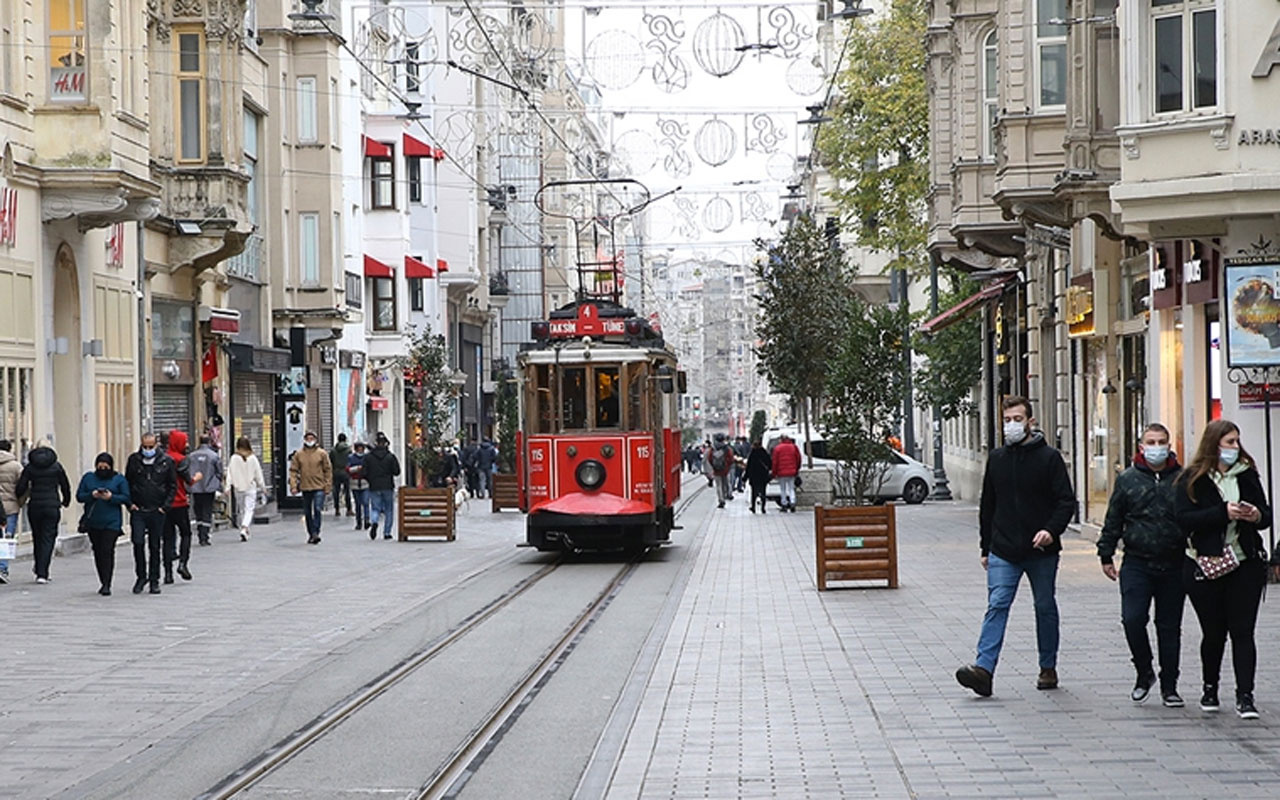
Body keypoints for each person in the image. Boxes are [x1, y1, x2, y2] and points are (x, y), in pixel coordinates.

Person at [956, 396, 1076, 697]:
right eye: (1007, 420)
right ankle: (983, 670)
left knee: (1044, 606)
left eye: (1017, 419)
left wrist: (1050, 530)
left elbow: (1065, 501)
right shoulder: (997, 459)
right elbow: (988, 505)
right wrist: (986, 547)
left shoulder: (1049, 458)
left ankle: (1048, 666)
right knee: (997, 604)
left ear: (1030, 422)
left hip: (1041, 551)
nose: (1012, 425)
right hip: (1003, 549)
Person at [1175, 419, 1278, 719]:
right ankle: (1210, 688)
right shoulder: (1192, 478)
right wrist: (1222, 512)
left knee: (1243, 631)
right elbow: (1183, 519)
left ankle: (1245, 696)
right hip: (1204, 563)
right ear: (1214, 444)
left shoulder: (1246, 475)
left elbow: (1266, 515)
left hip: (1244, 562)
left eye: (1236, 441)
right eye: (1229, 442)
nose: (1235, 447)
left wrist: (1255, 514)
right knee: (1213, 631)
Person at [1096, 423, 1186, 707]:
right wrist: (1106, 553)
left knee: (1169, 627)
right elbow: (1114, 518)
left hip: (1174, 562)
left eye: (1161, 441)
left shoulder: (1182, 479)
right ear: (1141, 446)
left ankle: (1170, 684)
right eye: (1151, 441)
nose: (1156, 447)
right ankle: (1144, 671)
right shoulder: (1128, 479)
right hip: (1137, 561)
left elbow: (1195, 518)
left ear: (1169, 445)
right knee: (1133, 619)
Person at [125, 433, 177, 594]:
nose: (147, 450)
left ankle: (155, 579)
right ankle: (141, 576)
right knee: (138, 543)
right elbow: (127, 482)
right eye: (145, 446)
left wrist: (165, 506)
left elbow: (172, 485)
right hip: (139, 509)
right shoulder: (134, 460)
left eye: (150, 447)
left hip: (157, 509)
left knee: (155, 545)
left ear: (156, 445)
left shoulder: (166, 461)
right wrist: (130, 504)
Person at [14, 439, 71, 584]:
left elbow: (21, 487)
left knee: (37, 537)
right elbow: (65, 485)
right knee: (48, 538)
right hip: (52, 505)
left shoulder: (30, 467)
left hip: (35, 506)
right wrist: (66, 500)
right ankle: (43, 572)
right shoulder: (56, 466)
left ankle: (39, 568)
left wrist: (20, 496)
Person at [76, 453, 130, 596]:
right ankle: (102, 579)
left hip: (111, 522)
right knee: (98, 551)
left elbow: (126, 497)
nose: (103, 469)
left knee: (107, 550)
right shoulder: (88, 478)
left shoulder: (119, 479)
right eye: (100, 466)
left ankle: (107, 583)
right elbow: (80, 496)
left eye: (106, 466)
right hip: (93, 521)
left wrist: (111, 497)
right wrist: (91, 495)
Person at [162, 430, 198, 583]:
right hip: (180, 502)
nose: (187, 445)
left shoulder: (162, 458)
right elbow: (188, 480)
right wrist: (196, 478)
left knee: (167, 538)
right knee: (186, 534)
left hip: (164, 504)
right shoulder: (182, 459)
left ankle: (168, 573)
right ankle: (183, 563)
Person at [289, 430, 331, 544]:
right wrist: (293, 485)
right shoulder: (299, 454)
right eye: (308, 438)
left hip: (319, 486)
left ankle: (316, 532)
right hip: (305, 486)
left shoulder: (322, 453)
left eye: (312, 438)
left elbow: (327, 470)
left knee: (317, 508)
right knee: (307, 511)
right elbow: (293, 471)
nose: (310, 441)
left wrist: (327, 485)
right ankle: (311, 533)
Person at [187, 434, 223, 547]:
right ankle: (204, 536)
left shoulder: (191, 456)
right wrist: (217, 482)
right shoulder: (214, 456)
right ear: (209, 442)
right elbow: (219, 472)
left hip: (195, 487)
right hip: (209, 488)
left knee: (198, 509)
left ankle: (200, 532)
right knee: (207, 510)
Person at [227, 436, 265, 541]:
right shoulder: (253, 458)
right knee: (249, 509)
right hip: (250, 487)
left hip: (238, 487)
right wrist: (263, 486)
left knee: (241, 509)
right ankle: (244, 527)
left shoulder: (234, 458)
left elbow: (229, 473)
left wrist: (227, 487)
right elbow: (258, 474)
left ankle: (244, 528)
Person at [364, 433, 401, 540]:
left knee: (375, 507)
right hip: (387, 486)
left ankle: (374, 522)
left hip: (374, 486)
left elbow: (364, 472)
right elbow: (397, 472)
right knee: (389, 509)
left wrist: (370, 479)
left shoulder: (369, 457)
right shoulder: (390, 457)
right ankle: (387, 532)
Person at [0, 439, 22, 583]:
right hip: (10, 506)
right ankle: (2, 568)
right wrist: (20, 502)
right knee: (6, 539)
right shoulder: (16, 466)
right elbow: (23, 486)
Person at [771, 435, 802, 513]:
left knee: (783, 489)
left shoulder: (777, 448)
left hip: (781, 472)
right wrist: (797, 469)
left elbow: (775, 462)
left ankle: (784, 504)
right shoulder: (794, 447)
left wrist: (774, 472)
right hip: (792, 472)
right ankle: (792, 503)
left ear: (781, 440)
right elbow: (798, 458)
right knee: (791, 488)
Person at [347, 440, 371, 530]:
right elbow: (348, 469)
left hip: (365, 482)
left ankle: (367, 520)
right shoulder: (351, 457)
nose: (360, 450)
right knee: (357, 503)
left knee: (365, 502)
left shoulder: (366, 457)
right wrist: (357, 468)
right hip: (355, 482)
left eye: (362, 449)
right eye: (359, 449)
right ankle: (358, 522)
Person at [745, 440, 773, 514]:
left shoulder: (752, 454)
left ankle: (753, 507)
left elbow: (749, 466)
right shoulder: (764, 453)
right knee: (763, 491)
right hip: (763, 476)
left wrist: (745, 477)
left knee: (754, 492)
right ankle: (763, 508)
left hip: (754, 476)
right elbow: (770, 464)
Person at [708, 433, 735, 509]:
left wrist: (713, 466)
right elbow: (731, 458)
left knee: (718, 486)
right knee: (725, 484)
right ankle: (726, 495)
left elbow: (709, 458)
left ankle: (721, 500)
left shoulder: (713, 448)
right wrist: (727, 466)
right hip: (725, 470)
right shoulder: (727, 448)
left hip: (716, 470)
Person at [329, 433, 352, 518]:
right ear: (345, 439)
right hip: (346, 472)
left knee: (336, 491)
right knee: (347, 491)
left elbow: (330, 462)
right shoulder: (349, 450)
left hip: (336, 472)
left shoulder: (333, 450)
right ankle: (349, 509)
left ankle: (337, 509)